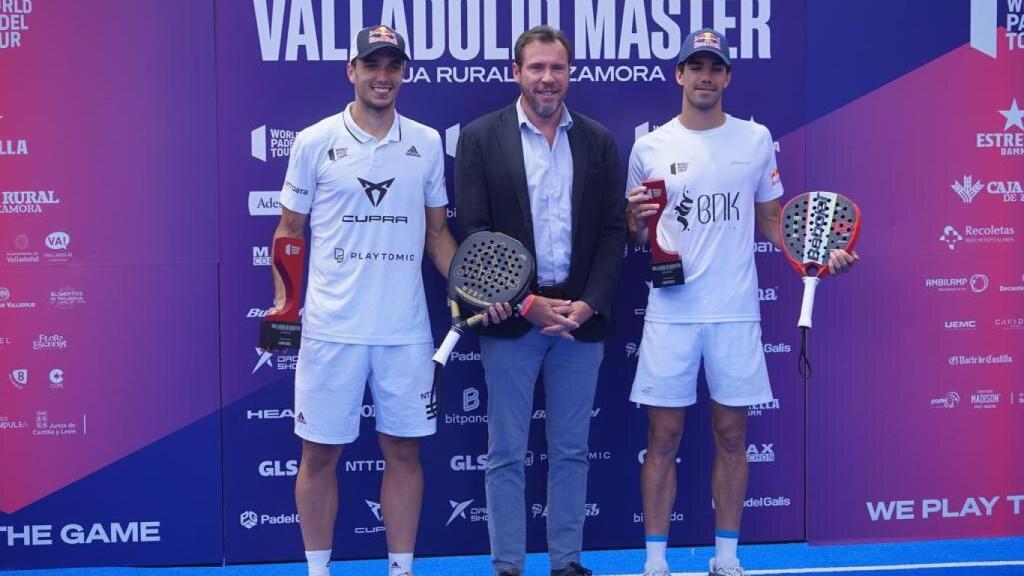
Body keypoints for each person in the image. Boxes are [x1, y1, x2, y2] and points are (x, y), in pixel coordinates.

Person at [624, 28, 857, 576]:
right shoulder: (649, 147)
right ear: (679, 75)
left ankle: (725, 557)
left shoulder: (755, 140)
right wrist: (635, 223)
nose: (705, 76)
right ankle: (655, 562)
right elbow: (640, 235)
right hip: (671, 313)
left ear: (727, 77)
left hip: (734, 313)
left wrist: (819, 257)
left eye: (715, 67)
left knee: (732, 437)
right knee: (663, 438)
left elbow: (775, 221)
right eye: (695, 66)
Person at [266, 25, 460, 576]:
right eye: (371, 65)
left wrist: (469, 286)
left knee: (404, 453)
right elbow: (289, 229)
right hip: (331, 329)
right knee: (319, 454)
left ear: (403, 74)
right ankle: (318, 571)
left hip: (404, 332)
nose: (382, 76)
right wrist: (284, 305)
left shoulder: (425, 142)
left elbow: (437, 233)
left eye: (392, 66)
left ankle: (401, 570)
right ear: (351, 71)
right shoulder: (313, 141)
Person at [454, 25, 626, 576]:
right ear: (517, 73)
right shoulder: (481, 137)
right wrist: (525, 302)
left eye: (557, 68)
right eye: (536, 68)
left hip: (578, 321)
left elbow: (610, 232)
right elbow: (475, 232)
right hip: (512, 320)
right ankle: (507, 566)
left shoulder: (597, 140)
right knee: (506, 453)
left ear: (569, 73)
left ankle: (565, 563)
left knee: (571, 451)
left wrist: (591, 301)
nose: (547, 79)